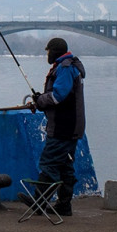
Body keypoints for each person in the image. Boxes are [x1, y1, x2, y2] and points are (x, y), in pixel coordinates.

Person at [20, 37, 86, 216]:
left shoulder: (64, 69)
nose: (47, 55)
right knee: (65, 167)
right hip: (72, 127)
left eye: (48, 51)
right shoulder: (70, 66)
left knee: (49, 163)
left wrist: (40, 100)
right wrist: (43, 99)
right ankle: (64, 206)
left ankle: (38, 202)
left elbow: (58, 96)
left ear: (55, 52)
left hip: (63, 127)